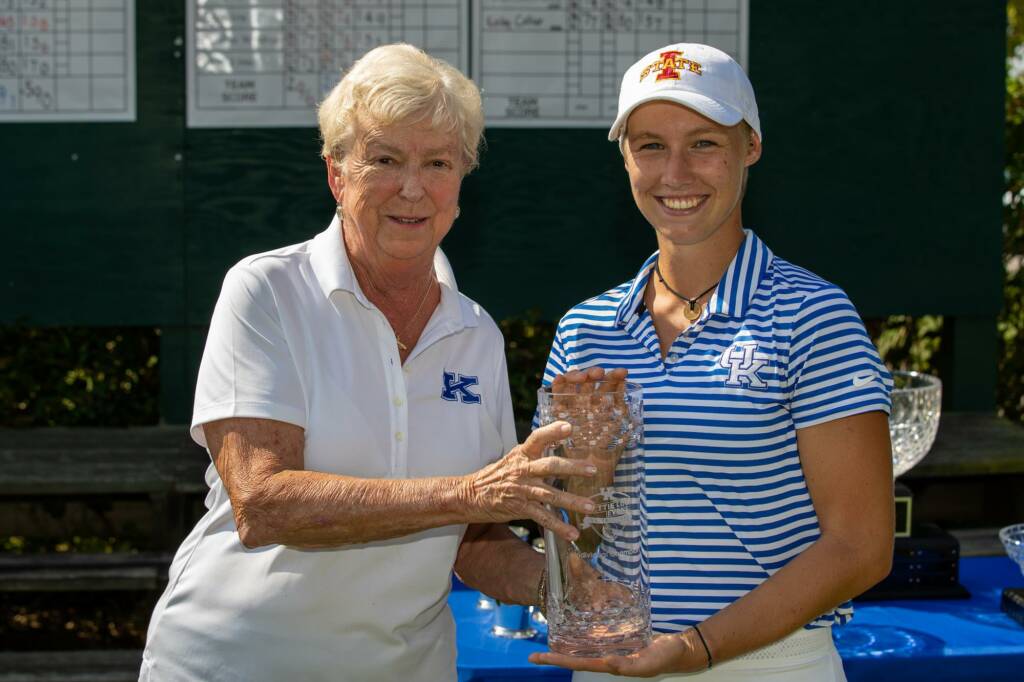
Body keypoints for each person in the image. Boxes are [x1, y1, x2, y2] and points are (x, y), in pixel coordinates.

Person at [139, 43, 597, 682]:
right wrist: (467, 492)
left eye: (437, 162)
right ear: (336, 173)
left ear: (461, 182)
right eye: (384, 159)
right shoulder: (266, 290)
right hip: (236, 662)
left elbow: (473, 538)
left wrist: (568, 591)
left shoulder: (476, 334)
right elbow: (264, 502)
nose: (412, 187)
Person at [529, 43, 895, 680]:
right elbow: (571, 544)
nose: (676, 172)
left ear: (749, 146)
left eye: (702, 143)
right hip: (613, 659)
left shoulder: (814, 314)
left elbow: (861, 548)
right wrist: (591, 479)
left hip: (770, 664)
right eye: (649, 145)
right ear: (624, 158)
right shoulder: (585, 329)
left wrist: (695, 647)